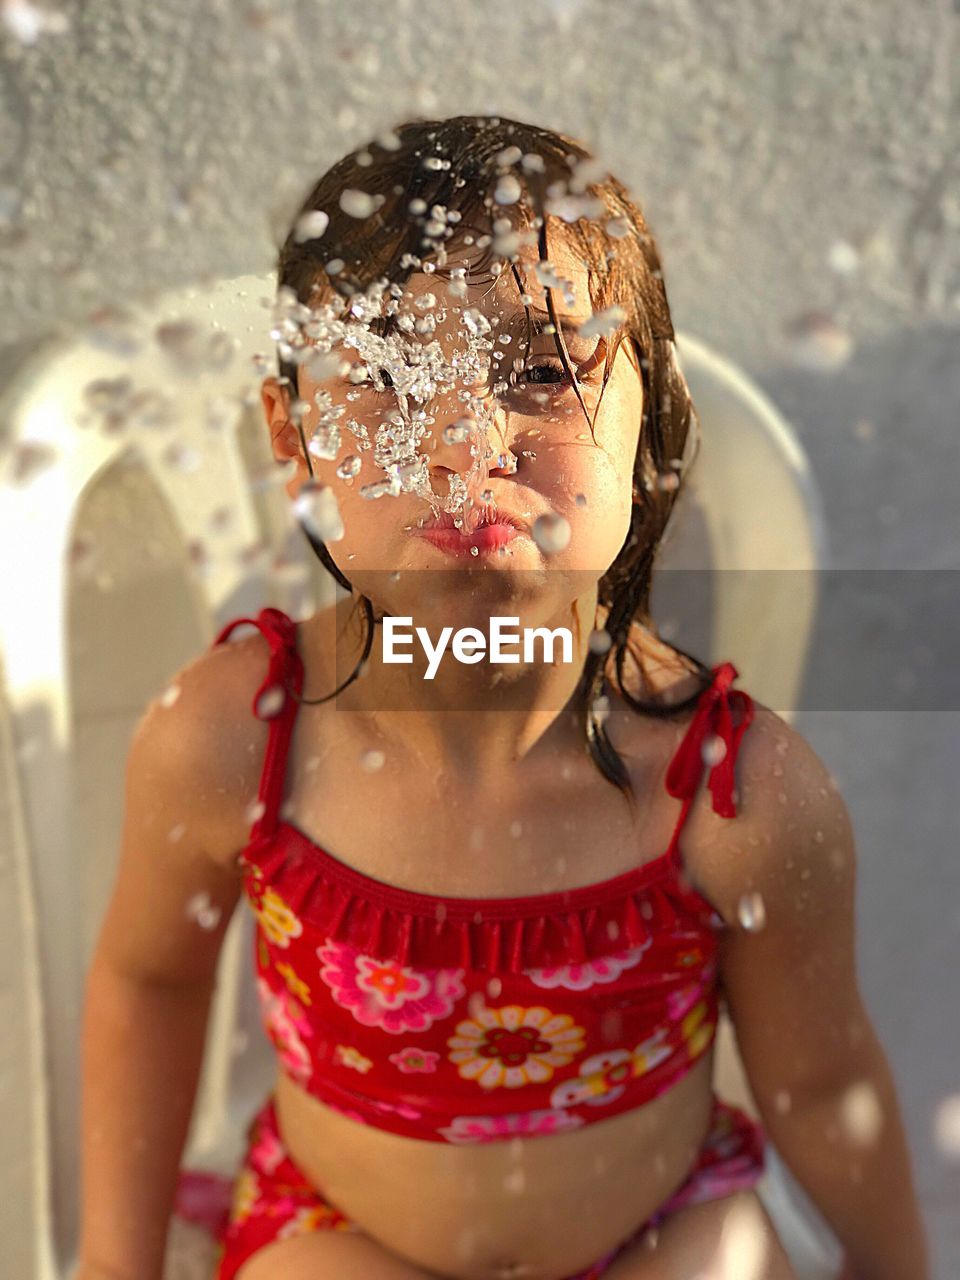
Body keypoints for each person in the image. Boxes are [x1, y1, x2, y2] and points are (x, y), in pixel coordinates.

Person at [77, 115, 928, 1280]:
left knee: (727, 1253)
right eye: (387, 378)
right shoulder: (236, 738)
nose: (464, 439)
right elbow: (149, 978)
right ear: (296, 445)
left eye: (538, 368)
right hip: (343, 1237)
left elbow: (821, 1082)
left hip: (655, 1237)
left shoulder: (736, 799)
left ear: (652, 426)